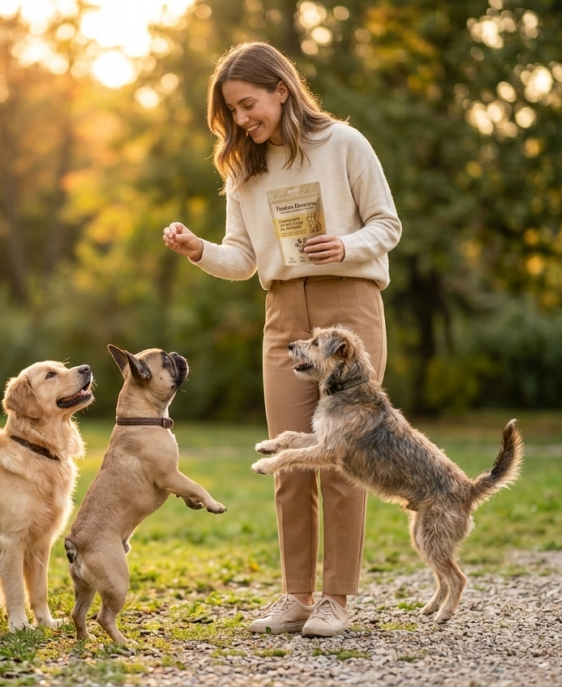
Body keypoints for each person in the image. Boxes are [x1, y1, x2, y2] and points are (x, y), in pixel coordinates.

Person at [162, 42, 401, 637]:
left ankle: (336, 601)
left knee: (344, 458)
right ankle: (296, 597)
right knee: (286, 456)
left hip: (347, 310)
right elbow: (242, 259)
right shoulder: (243, 169)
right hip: (283, 318)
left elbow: (387, 225)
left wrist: (345, 246)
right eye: (232, 113)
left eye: (248, 106)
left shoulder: (345, 144)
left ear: (281, 90)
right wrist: (199, 251)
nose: (242, 121)